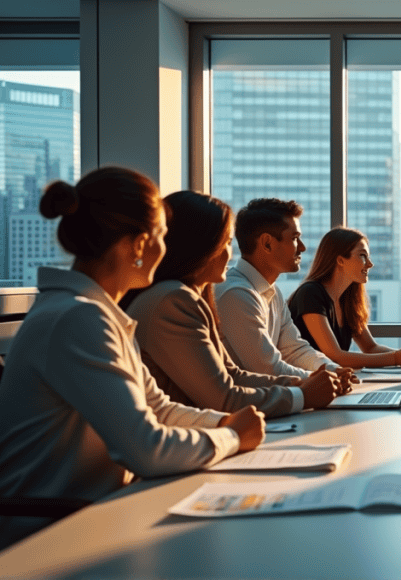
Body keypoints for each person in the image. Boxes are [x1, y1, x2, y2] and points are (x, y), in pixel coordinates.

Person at [0, 168, 265, 548]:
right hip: (52, 535)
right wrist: (231, 437)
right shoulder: (78, 318)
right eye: (161, 238)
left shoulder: (97, 313)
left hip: (96, 514)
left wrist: (224, 422)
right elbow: (146, 449)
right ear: (139, 245)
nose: (166, 249)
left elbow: (159, 409)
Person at [125, 191, 350, 418]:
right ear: (201, 246)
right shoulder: (176, 301)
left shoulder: (192, 297)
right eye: (227, 242)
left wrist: (309, 382)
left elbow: (232, 374)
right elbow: (224, 397)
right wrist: (304, 394)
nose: (231, 253)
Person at [215, 198, 350, 380]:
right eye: (295, 238)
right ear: (267, 243)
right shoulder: (236, 295)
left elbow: (295, 350)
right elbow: (268, 369)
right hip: (247, 405)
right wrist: (322, 379)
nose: (302, 247)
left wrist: (334, 370)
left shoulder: (272, 291)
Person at [287, 227, 401, 368]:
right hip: (307, 383)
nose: (370, 264)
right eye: (363, 256)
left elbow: (370, 348)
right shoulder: (310, 293)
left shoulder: (347, 300)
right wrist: (396, 358)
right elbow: (335, 356)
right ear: (340, 260)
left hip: (333, 380)